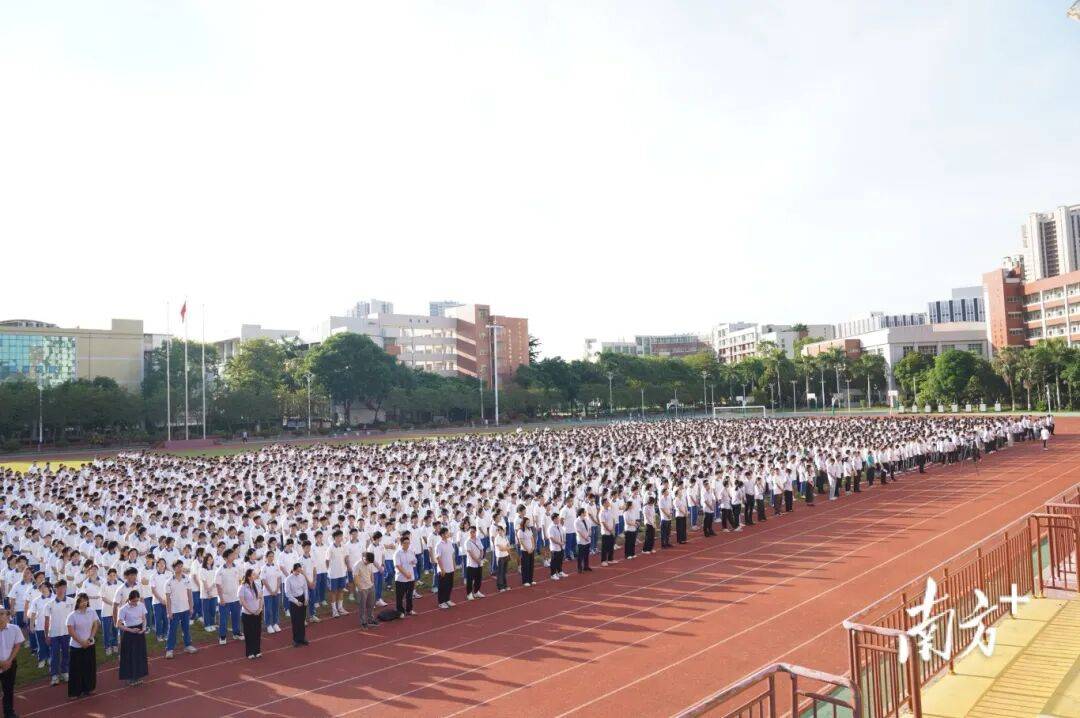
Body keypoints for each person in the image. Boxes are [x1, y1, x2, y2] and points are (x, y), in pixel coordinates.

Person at [65, 592, 99, 699]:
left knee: (89, 668)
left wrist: (91, 638)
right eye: (81, 601)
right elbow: (71, 631)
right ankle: (75, 692)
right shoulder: (72, 615)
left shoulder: (91, 611)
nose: (84, 603)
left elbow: (95, 624)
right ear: (77, 602)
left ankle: (89, 688)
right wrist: (81, 642)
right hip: (76, 646)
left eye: (85, 601)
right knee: (76, 670)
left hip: (89, 644)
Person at [164, 560, 197, 659]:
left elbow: (190, 594)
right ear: (174, 568)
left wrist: (191, 607)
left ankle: (188, 645)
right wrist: (169, 611)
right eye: (178, 567)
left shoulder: (187, 579)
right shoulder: (168, 582)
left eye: (181, 566)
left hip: (185, 609)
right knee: (172, 630)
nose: (180, 568)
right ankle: (169, 649)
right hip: (174, 611)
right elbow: (167, 598)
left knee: (186, 629)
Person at [44, 579, 74, 686]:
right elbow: (47, 621)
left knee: (66, 653)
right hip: (54, 634)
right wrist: (46, 635)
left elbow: (74, 618)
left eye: (63, 588)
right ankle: (54, 675)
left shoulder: (72, 601)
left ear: (66, 588)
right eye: (58, 588)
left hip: (67, 633)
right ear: (54, 590)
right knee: (54, 655)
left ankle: (65, 672)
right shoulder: (49, 604)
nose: (61, 590)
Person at [117, 589, 148, 686]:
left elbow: (144, 618)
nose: (135, 603)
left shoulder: (141, 605)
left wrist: (143, 628)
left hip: (139, 632)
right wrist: (131, 630)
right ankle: (130, 677)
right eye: (133, 601)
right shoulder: (123, 609)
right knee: (129, 655)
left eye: (137, 601)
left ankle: (138, 675)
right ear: (129, 599)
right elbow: (119, 625)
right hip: (129, 633)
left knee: (139, 654)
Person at [0, 607, 24, 718]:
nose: (0, 617)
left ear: (7, 616)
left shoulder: (15, 629)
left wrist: (9, 661)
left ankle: (9, 713)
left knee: (8, 690)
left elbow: (17, 645)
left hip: (10, 664)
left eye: (1, 614)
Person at [238, 569, 263, 659]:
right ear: (249, 576)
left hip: (257, 613)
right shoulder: (243, 587)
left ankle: (257, 651)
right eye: (254, 574)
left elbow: (261, 597)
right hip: (247, 614)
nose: (256, 575)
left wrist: (260, 608)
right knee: (249, 633)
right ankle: (250, 652)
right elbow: (242, 601)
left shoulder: (257, 584)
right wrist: (250, 611)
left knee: (257, 632)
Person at [283, 563, 309, 646]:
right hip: (294, 601)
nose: (299, 572)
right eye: (298, 571)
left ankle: (302, 638)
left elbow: (305, 588)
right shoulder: (288, 579)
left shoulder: (302, 577)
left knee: (302, 620)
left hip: (302, 598)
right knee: (295, 621)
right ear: (294, 570)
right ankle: (296, 640)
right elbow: (288, 593)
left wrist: (306, 599)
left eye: (300, 571)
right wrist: (296, 601)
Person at [394, 534, 418, 617]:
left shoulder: (411, 551)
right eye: (405, 543)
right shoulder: (397, 553)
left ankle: (409, 609)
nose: (407, 544)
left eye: (408, 543)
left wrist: (413, 561)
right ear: (401, 543)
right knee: (400, 596)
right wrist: (405, 574)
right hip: (401, 578)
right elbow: (398, 565)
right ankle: (400, 611)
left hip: (410, 578)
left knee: (409, 595)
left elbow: (415, 560)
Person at [353, 552, 378, 628]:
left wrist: (372, 583)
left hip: (370, 587)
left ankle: (370, 618)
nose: (368, 563)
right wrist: (359, 587)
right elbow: (355, 577)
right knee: (362, 606)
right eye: (368, 562)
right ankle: (363, 621)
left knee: (371, 604)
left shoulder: (370, 563)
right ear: (364, 558)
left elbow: (371, 573)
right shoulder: (357, 565)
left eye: (370, 562)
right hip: (362, 589)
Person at [434, 528, 457, 608]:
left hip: (450, 568)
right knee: (442, 586)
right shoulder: (439, 545)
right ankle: (441, 602)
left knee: (449, 585)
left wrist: (454, 564)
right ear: (443, 535)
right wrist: (442, 569)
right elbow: (438, 558)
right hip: (443, 570)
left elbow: (452, 554)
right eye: (447, 533)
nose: (448, 534)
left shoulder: (450, 542)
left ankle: (447, 599)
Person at [464, 527, 485, 600]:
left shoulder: (478, 539)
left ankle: (476, 592)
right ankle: (469, 594)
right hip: (471, 564)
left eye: (473, 532)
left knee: (478, 578)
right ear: (468, 533)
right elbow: (470, 553)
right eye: (471, 532)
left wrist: (481, 558)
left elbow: (482, 549)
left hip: (479, 563)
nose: (472, 533)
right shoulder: (467, 542)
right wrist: (477, 560)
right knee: (470, 580)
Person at [547, 514, 566, 580]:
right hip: (555, 547)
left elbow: (562, 533)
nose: (559, 519)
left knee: (560, 560)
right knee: (554, 561)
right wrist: (559, 543)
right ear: (554, 519)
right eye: (558, 518)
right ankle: (553, 574)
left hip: (561, 546)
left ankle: (560, 572)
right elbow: (551, 538)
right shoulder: (551, 527)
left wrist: (563, 541)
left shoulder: (559, 525)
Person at [517, 518, 535, 587]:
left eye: (529, 522)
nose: (528, 524)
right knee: (525, 566)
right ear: (524, 523)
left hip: (531, 550)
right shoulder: (520, 531)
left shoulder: (529, 529)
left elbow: (532, 538)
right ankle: (525, 581)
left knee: (531, 565)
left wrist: (533, 547)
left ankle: (530, 579)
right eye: (527, 522)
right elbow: (521, 542)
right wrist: (527, 549)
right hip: (525, 551)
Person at [574, 508, 592, 573]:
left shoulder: (587, 519)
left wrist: (589, 535)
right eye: (584, 512)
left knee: (586, 554)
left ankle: (586, 566)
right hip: (581, 540)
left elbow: (589, 528)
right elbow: (578, 531)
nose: (585, 513)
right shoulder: (577, 521)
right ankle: (579, 568)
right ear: (581, 513)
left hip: (587, 539)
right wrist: (585, 537)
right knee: (580, 555)